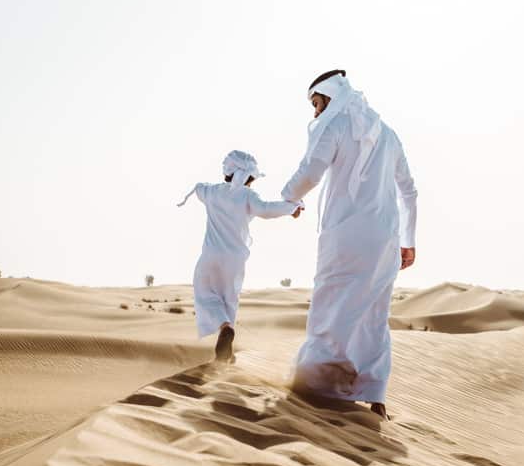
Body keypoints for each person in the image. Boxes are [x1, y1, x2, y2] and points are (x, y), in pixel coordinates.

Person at [281, 70, 418, 418]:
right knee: (374, 314)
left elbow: (312, 170)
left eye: (316, 104)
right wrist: (408, 240)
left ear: (329, 97)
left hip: (346, 236)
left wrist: (289, 198)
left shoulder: (337, 124)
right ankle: (375, 393)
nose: (315, 113)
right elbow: (409, 191)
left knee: (331, 304)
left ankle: (316, 387)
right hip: (385, 239)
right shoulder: (388, 134)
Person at [178, 150, 302, 361]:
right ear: (250, 177)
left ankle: (224, 328)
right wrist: (292, 208)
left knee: (206, 294)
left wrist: (198, 188)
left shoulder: (212, 192)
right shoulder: (247, 195)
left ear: (226, 170)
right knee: (229, 299)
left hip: (211, 254)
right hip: (235, 258)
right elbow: (266, 209)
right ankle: (228, 347)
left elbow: (198, 189)